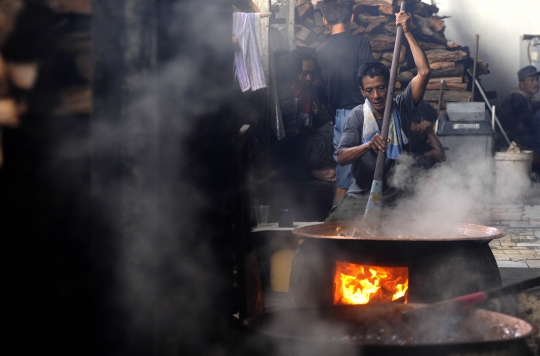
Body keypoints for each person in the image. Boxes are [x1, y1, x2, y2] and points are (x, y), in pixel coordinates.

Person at [325, 10, 430, 222]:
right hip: (362, 193)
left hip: (398, 196)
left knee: (416, 235)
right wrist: (367, 145)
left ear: (390, 86)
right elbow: (342, 157)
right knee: (332, 228)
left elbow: (424, 72)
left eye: (382, 88)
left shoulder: (402, 107)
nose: (376, 95)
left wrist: (408, 32)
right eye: (369, 90)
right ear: (362, 92)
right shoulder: (357, 116)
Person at [316, 0, 374, 203]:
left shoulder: (320, 51)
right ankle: (339, 228)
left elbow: (322, 87)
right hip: (364, 112)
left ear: (325, 20)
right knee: (366, 173)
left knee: (344, 175)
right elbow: (370, 78)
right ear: (351, 17)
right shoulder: (360, 43)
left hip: (340, 114)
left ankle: (339, 227)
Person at [273, 50, 336, 182]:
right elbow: (304, 131)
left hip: (282, 156)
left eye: (310, 73)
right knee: (336, 126)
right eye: (303, 73)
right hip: (299, 154)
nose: (307, 78)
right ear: (297, 74)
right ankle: (315, 170)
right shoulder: (302, 94)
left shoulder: (274, 94)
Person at [498, 65, 540, 151]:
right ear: (522, 85)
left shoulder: (528, 100)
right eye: (531, 80)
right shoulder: (517, 98)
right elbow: (529, 122)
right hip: (513, 143)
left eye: (537, 79)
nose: (536, 83)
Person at [409, 101, 446, 169]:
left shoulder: (412, 134)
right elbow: (441, 156)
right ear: (423, 120)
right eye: (431, 125)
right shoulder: (412, 139)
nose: (431, 128)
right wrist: (430, 132)